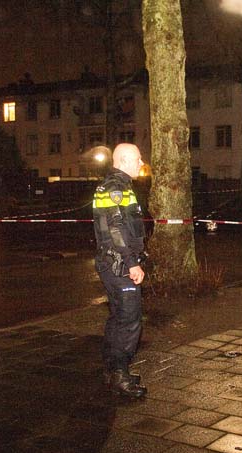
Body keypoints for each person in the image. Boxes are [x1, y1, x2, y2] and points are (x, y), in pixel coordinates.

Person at [93, 143, 148, 399]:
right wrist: (131, 262)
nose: (141, 163)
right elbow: (116, 230)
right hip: (119, 265)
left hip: (113, 263)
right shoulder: (117, 187)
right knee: (128, 319)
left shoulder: (116, 185)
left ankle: (114, 370)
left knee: (117, 318)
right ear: (124, 160)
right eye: (137, 159)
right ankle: (120, 376)